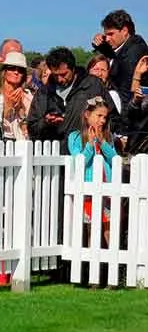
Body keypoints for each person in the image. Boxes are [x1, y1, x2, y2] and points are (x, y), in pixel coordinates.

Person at [68, 97, 117, 246]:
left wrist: (102, 142)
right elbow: (79, 161)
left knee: (108, 228)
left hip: (106, 189)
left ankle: (111, 264)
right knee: (92, 229)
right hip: (88, 192)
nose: (102, 121)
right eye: (99, 116)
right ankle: (91, 266)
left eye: (105, 117)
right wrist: (90, 144)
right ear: (87, 115)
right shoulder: (75, 137)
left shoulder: (107, 137)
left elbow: (115, 159)